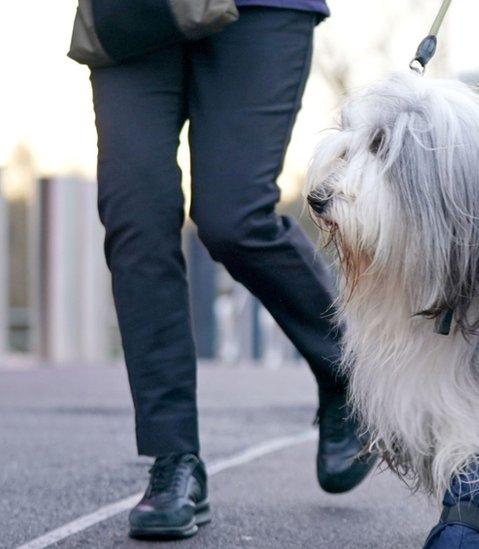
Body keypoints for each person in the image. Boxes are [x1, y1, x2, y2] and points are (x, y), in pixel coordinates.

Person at [88, 0, 373, 540]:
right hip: (133, 12)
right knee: (135, 220)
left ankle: (346, 370)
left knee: (232, 217)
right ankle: (174, 462)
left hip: (261, 9)